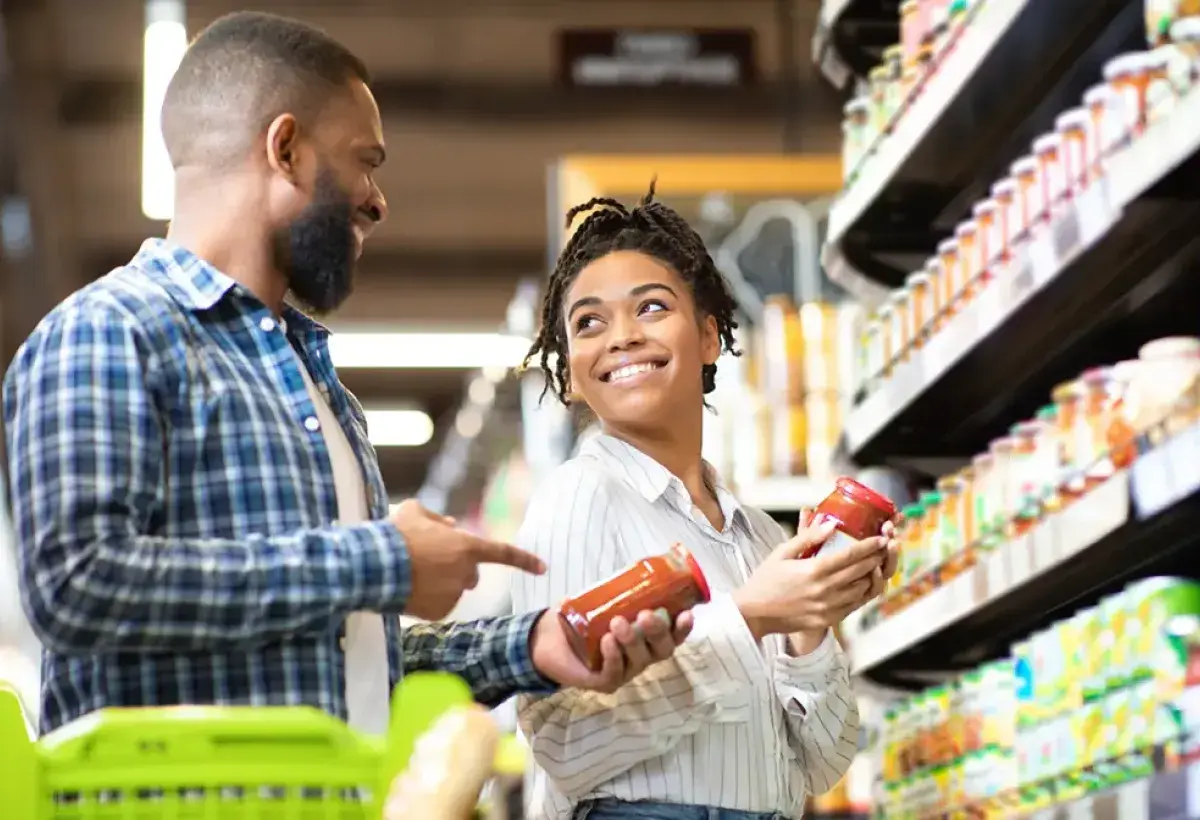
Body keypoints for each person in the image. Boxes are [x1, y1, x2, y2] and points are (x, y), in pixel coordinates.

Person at [1, 11, 690, 737]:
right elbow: (77, 586)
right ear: (287, 149)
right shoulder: (108, 332)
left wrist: (532, 645)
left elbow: (356, 657)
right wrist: (381, 558)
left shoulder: (318, 389)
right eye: (365, 160)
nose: (377, 198)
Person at [510, 185, 899, 820]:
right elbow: (566, 744)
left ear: (710, 338)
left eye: (652, 308)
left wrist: (808, 622)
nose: (622, 337)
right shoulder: (579, 499)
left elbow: (824, 765)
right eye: (588, 322)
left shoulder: (760, 540)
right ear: (573, 373)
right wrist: (748, 619)